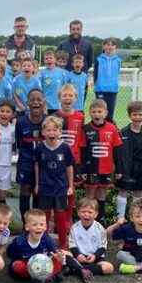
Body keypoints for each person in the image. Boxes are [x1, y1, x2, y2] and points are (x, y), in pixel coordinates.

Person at [34, 116, 75, 249]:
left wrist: (70, 185)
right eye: (49, 130)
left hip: (60, 187)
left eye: (55, 130)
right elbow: (37, 166)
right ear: (43, 132)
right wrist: (37, 184)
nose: (52, 133)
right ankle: (44, 244)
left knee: (60, 217)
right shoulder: (40, 148)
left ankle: (63, 245)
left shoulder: (65, 148)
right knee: (44, 218)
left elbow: (69, 167)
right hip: (45, 187)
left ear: (60, 132)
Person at [81, 99, 123, 225]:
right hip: (91, 168)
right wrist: (82, 169)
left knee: (102, 193)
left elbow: (117, 151)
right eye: (93, 111)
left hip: (106, 168)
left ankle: (100, 219)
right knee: (90, 194)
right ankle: (88, 219)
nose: (96, 114)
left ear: (105, 113)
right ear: (90, 113)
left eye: (99, 111)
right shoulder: (86, 129)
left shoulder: (112, 129)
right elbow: (83, 150)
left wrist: (119, 170)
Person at [7, 209, 64, 283]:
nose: (39, 227)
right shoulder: (19, 242)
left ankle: (45, 276)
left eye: (42, 224)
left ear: (45, 227)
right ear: (27, 227)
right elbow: (11, 255)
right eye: (35, 225)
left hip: (43, 264)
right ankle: (44, 277)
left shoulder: (47, 239)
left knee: (58, 260)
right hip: (27, 265)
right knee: (17, 266)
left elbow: (55, 251)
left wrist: (59, 257)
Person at [53, 84, 86, 224]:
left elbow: (82, 141)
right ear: (59, 98)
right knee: (57, 188)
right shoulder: (54, 116)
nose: (68, 98)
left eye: (70, 95)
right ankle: (56, 220)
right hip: (57, 160)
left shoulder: (80, 116)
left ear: (76, 98)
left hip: (74, 159)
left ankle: (69, 219)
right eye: (64, 95)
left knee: (71, 188)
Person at [115, 101, 142, 222]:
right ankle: (120, 218)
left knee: (138, 194)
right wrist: (119, 170)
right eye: (134, 115)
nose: (137, 117)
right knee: (123, 192)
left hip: (141, 168)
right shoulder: (123, 132)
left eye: (140, 115)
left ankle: (135, 218)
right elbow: (118, 153)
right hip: (127, 168)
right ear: (129, 116)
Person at [65, 198, 114, 282]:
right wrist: (78, 255)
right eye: (83, 211)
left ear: (96, 214)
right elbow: (72, 245)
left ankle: (78, 270)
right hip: (79, 257)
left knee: (109, 268)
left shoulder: (100, 228)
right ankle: (83, 270)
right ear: (78, 213)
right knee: (63, 254)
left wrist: (95, 256)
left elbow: (103, 247)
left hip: (95, 259)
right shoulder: (74, 227)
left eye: (90, 212)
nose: (86, 214)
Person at [15, 89, 45, 223]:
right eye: (32, 99)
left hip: (43, 164)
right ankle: (25, 225)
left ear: (44, 102)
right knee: (25, 191)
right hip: (26, 163)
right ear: (27, 103)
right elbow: (19, 143)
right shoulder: (21, 122)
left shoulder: (48, 121)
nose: (36, 102)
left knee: (39, 193)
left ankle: (37, 224)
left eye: (39, 99)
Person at [0, 101, 16, 210]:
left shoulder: (13, 129)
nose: (4, 114)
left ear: (12, 114)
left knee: (2, 195)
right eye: (2, 111)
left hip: (6, 165)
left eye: (8, 112)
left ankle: (2, 220)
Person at [93, 38, 122, 121]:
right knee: (100, 113)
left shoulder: (118, 60)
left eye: (112, 45)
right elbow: (95, 74)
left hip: (113, 90)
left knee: (110, 114)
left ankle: (109, 132)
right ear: (103, 46)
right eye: (107, 44)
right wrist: (96, 85)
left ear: (115, 47)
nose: (110, 47)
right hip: (101, 90)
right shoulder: (98, 59)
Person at [39, 50, 65, 115]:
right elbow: (39, 90)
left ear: (55, 60)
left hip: (59, 105)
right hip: (46, 106)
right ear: (44, 61)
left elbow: (64, 88)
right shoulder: (41, 73)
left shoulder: (62, 72)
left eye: (51, 58)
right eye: (46, 59)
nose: (48, 60)